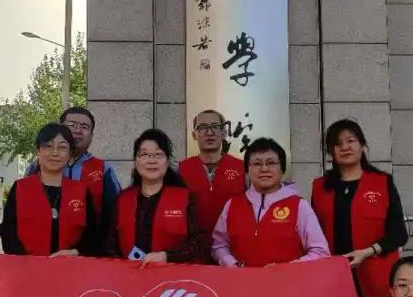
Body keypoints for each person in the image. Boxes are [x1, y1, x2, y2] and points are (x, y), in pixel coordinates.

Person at [310, 119, 408, 297]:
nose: (345, 147)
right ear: (331, 152)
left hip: (377, 278)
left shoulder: (382, 182)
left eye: (351, 141)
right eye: (338, 144)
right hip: (335, 278)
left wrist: (369, 251)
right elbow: (313, 233)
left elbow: (398, 233)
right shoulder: (320, 187)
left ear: (362, 145)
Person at [212, 137, 330, 267]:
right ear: (247, 170)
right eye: (257, 164)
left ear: (282, 168)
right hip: (240, 279)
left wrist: (286, 268)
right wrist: (231, 263)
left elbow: (320, 252)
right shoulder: (232, 205)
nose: (264, 169)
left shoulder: (299, 206)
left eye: (271, 163)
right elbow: (218, 245)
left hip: (287, 279)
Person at [107, 129, 206, 265]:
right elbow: (110, 244)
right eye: (144, 154)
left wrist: (167, 256)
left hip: (172, 274)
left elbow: (199, 243)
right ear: (136, 162)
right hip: (128, 274)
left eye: (158, 155)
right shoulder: (122, 199)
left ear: (167, 161)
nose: (151, 160)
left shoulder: (184, 198)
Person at [0, 123, 99, 257]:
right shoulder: (20, 188)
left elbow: (93, 235)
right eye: (48, 146)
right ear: (38, 151)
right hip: (27, 266)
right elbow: (7, 232)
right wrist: (26, 261)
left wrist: (75, 252)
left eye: (62, 147)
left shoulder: (81, 191)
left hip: (71, 266)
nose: (55, 153)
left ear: (70, 154)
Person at [25, 106, 122, 233]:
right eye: (72, 125)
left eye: (84, 127)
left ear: (91, 135)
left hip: (90, 242)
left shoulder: (103, 169)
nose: (78, 130)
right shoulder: (39, 165)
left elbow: (116, 214)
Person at [177, 109, 247, 239]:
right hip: (192, 246)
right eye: (202, 127)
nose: (209, 132)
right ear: (194, 135)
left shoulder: (242, 168)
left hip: (232, 245)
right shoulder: (181, 169)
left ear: (224, 132)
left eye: (215, 127)